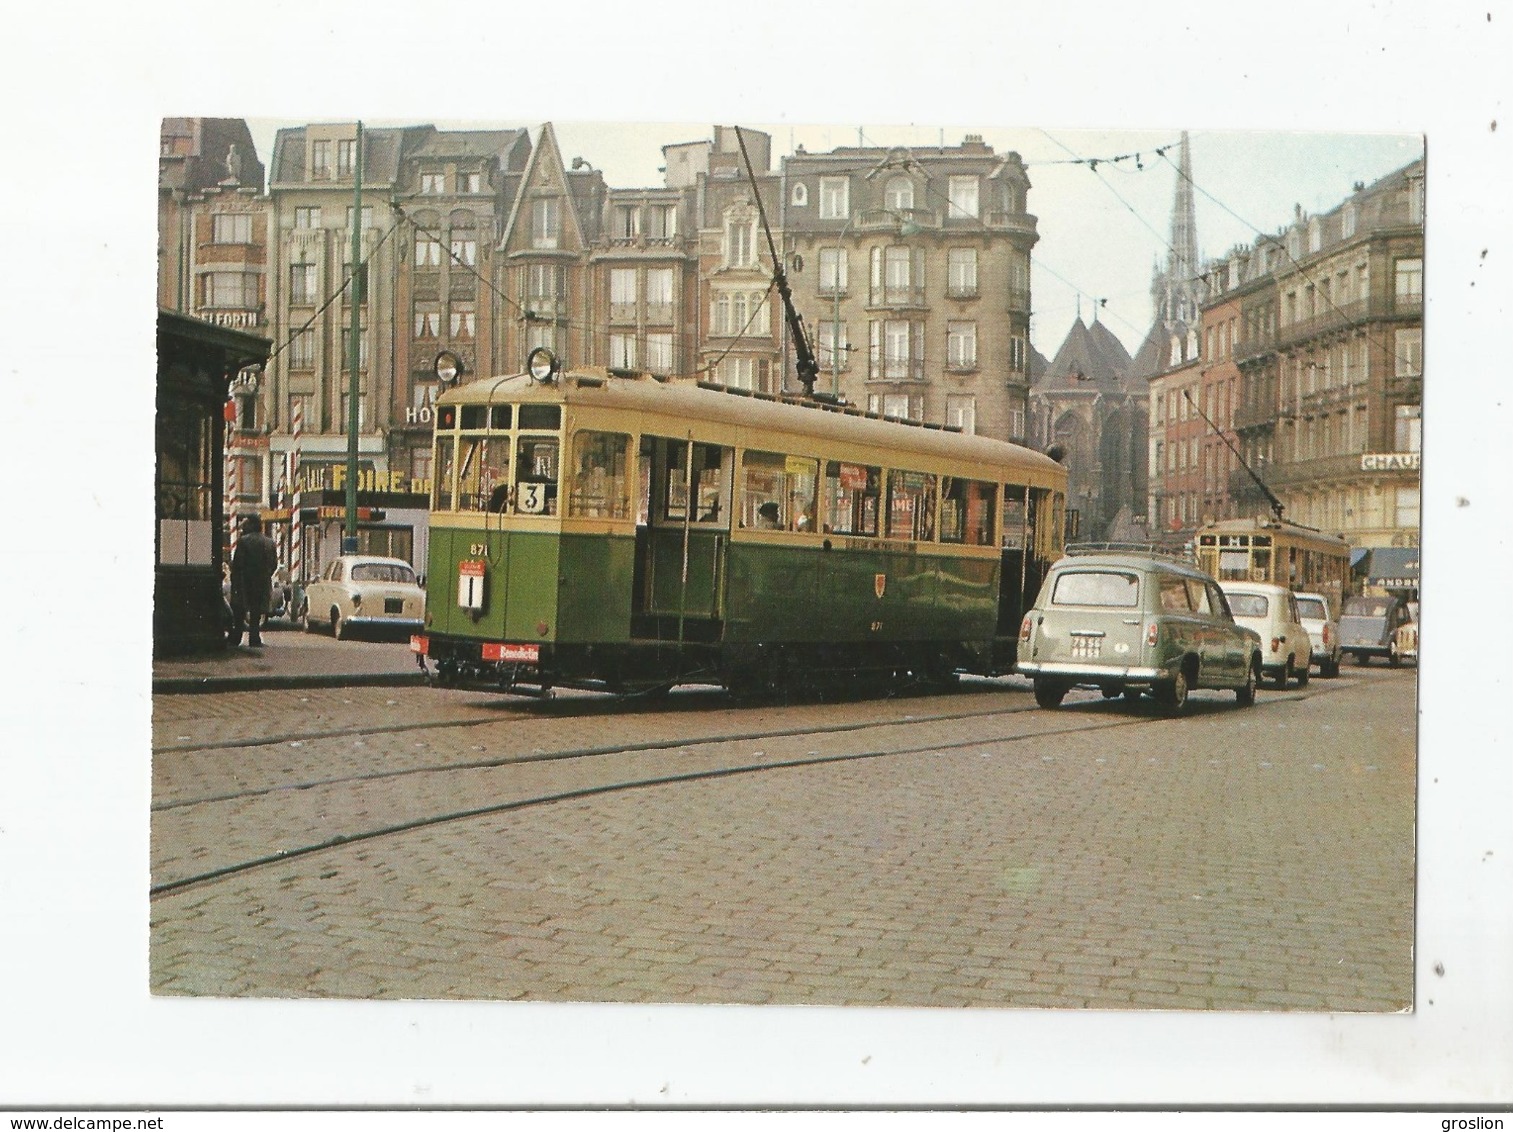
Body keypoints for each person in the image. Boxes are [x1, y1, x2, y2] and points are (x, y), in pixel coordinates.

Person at [228, 515, 279, 647]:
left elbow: (238, 563)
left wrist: (234, 572)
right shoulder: (269, 542)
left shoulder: (243, 541)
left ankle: (236, 637)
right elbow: (274, 564)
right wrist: (266, 574)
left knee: (239, 611)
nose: (243, 526)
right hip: (262, 581)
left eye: (246, 523)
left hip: (244, 581)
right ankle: (254, 638)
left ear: (251, 525)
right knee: (256, 612)